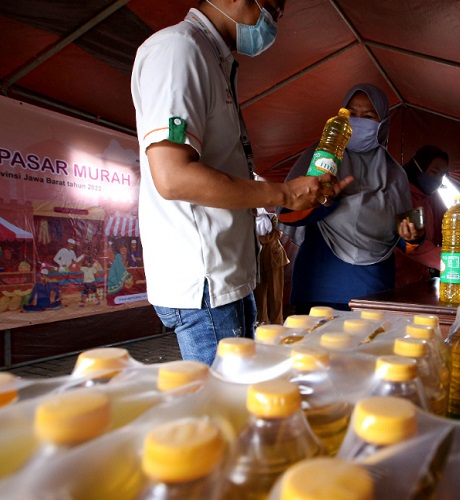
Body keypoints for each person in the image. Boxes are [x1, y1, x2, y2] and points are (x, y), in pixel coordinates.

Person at [131, 0, 352, 364]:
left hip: (227, 277)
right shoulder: (178, 50)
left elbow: (225, 171)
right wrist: (282, 192)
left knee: (239, 396)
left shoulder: (211, 59)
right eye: (271, 8)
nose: (273, 22)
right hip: (205, 284)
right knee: (225, 408)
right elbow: (172, 176)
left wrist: (291, 196)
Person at [279, 83, 424, 313]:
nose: (358, 122)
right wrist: (325, 200)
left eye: (368, 116)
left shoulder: (395, 173)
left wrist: (413, 237)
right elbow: (287, 216)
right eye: (352, 114)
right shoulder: (321, 157)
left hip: (373, 290)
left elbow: (407, 240)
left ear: (383, 124)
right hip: (319, 287)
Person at [395, 145, 449, 288]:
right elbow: (413, 246)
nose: (438, 180)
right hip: (398, 281)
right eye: (434, 172)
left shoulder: (430, 197)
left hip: (420, 278)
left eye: (442, 175)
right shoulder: (404, 194)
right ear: (418, 168)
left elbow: (447, 225)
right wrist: (451, 262)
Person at [254, 207, 290, 324]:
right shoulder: (245, 217)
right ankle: (261, 321)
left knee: (276, 292)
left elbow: (279, 231)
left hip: (274, 255)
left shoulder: (270, 214)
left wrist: (263, 239)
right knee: (259, 292)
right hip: (256, 256)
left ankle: (277, 322)